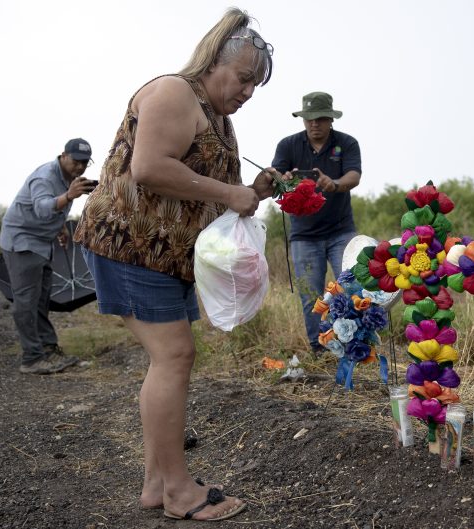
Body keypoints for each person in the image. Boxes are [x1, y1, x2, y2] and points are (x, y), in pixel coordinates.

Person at [73, 8, 275, 522]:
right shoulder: (173, 93)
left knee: (172, 359)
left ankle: (156, 484)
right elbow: (149, 168)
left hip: (164, 256)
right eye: (245, 78)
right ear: (214, 62)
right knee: (174, 357)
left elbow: (203, 193)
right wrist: (232, 191)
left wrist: (251, 193)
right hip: (129, 243)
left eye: (256, 84)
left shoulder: (216, 116)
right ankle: (179, 492)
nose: (249, 91)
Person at [271, 92, 361, 356]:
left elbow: (354, 176)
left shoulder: (346, 143)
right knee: (311, 295)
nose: (314, 124)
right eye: (309, 119)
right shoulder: (288, 145)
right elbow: (275, 173)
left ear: (330, 119)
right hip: (304, 234)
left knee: (350, 289)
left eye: (320, 119)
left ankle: (355, 345)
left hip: (341, 231)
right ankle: (319, 349)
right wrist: (283, 178)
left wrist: (333, 185)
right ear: (303, 119)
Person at [0, 138, 96, 375]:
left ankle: (48, 349)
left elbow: (53, 212)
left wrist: (61, 225)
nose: (81, 167)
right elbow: (42, 208)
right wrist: (70, 195)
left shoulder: (66, 178)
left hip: (42, 242)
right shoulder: (44, 177)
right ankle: (32, 358)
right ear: (63, 155)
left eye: (85, 163)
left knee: (42, 299)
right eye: (76, 161)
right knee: (26, 301)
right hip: (22, 242)